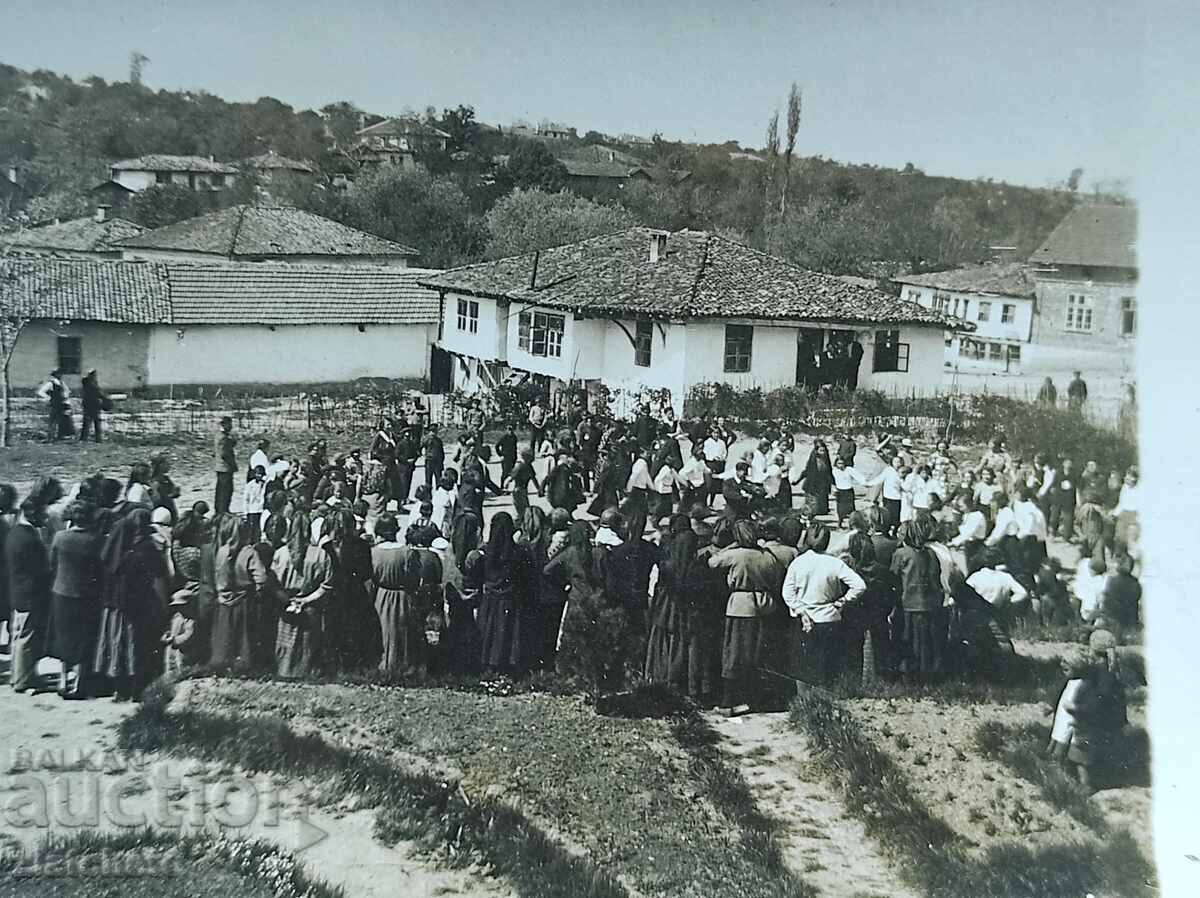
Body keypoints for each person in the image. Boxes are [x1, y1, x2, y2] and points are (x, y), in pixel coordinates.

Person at [707, 519, 784, 715]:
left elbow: (712, 562)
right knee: (759, 654)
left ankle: (729, 702)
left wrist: (730, 547)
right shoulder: (768, 556)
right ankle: (757, 699)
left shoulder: (736, 554)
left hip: (740, 606)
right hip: (765, 604)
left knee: (735, 654)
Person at [94, 508, 169, 700]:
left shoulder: (114, 552)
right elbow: (159, 577)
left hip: (113, 607)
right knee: (133, 648)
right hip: (134, 608)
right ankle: (134, 690)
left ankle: (118, 688)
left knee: (116, 648)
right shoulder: (143, 551)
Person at [781, 522, 866, 687]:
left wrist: (800, 610)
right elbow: (859, 585)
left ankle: (807, 698)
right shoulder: (834, 563)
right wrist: (842, 601)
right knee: (828, 667)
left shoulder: (798, 562)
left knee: (804, 667)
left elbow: (787, 593)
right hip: (829, 617)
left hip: (804, 620)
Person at [46, 500, 103, 698]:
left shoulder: (60, 537)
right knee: (83, 639)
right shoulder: (95, 540)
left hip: (61, 592)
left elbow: (52, 563)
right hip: (86, 594)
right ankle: (78, 683)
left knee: (64, 638)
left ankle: (63, 680)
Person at [210, 514, 270, 669]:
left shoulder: (221, 551)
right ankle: (243, 666)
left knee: (225, 637)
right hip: (244, 600)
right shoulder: (249, 553)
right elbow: (261, 578)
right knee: (244, 639)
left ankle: (223, 665)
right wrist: (257, 590)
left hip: (224, 599)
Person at [371, 513, 425, 676]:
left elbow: (371, 578)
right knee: (403, 632)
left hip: (381, 595)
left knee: (384, 630)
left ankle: (385, 665)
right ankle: (404, 665)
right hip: (403, 596)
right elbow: (414, 579)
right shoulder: (407, 552)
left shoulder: (374, 552)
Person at [890, 520, 944, 681]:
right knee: (927, 642)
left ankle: (909, 674)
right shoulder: (931, 553)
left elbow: (893, 576)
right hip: (930, 602)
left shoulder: (902, 554)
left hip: (909, 602)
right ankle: (927, 673)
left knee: (909, 640)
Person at [478, 512, 531, 677]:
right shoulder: (518, 552)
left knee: (490, 632)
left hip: (491, 597)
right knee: (508, 632)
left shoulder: (486, 552)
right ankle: (508, 664)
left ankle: (488, 664)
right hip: (510, 597)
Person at [7, 497, 51, 693]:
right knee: (27, 638)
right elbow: (41, 568)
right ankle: (23, 680)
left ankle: (18, 676)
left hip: (18, 590)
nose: (46, 516)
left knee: (19, 636)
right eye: (43, 513)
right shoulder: (30, 538)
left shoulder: (15, 532)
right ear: (33, 514)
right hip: (30, 593)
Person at [863, 451, 903, 536]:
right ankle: (885, 533)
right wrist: (869, 484)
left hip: (898, 498)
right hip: (888, 498)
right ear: (892, 462)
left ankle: (894, 533)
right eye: (895, 462)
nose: (897, 464)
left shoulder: (903, 472)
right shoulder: (888, 470)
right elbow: (879, 479)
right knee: (887, 516)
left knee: (896, 518)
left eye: (899, 462)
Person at [162, 591, 200, 677]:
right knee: (169, 667)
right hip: (171, 649)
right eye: (177, 607)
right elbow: (170, 628)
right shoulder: (176, 617)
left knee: (181, 667)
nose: (179, 609)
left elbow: (188, 635)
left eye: (182, 606)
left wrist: (174, 640)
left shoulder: (190, 621)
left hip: (182, 650)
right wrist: (166, 635)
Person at [36, 369, 73, 442]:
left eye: (60, 374)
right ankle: (50, 437)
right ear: (55, 375)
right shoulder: (51, 383)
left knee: (62, 420)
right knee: (53, 421)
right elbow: (40, 392)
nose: (60, 375)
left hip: (61, 403)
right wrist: (48, 397)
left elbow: (67, 391)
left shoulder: (61, 383)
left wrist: (65, 396)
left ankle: (60, 436)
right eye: (58, 374)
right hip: (54, 404)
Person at [214, 416, 237, 514]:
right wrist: (233, 464)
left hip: (220, 467)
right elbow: (224, 454)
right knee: (226, 490)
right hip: (225, 468)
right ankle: (223, 510)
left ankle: (220, 509)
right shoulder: (223, 437)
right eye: (229, 424)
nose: (231, 426)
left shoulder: (220, 435)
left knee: (220, 490)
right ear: (224, 424)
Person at [79, 370, 106, 442]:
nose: (95, 376)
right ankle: (96, 438)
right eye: (94, 375)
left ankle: (86, 437)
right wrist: (104, 398)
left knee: (90, 422)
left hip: (92, 404)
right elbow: (98, 392)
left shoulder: (91, 382)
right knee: (94, 421)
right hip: (91, 404)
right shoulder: (89, 383)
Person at [243, 466, 267, 543]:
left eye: (261, 474)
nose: (259, 476)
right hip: (252, 510)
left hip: (261, 510)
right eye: (258, 474)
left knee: (259, 528)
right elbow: (246, 499)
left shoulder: (264, 484)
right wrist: (246, 511)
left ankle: (258, 542)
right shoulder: (250, 485)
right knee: (252, 528)